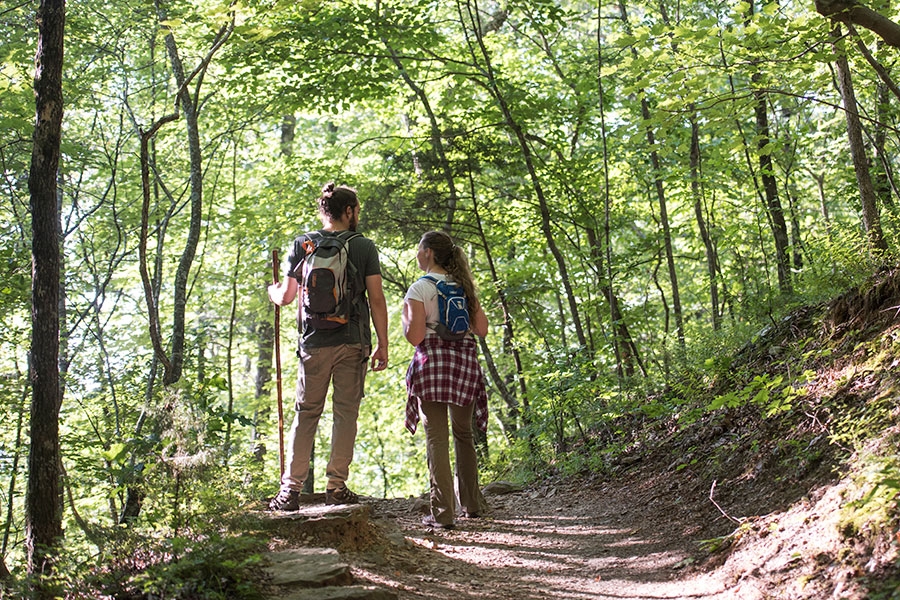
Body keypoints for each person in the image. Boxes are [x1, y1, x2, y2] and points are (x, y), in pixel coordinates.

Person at [267, 182, 388, 511]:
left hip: (313, 343)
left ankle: (289, 490)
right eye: (357, 210)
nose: (358, 215)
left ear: (324, 212)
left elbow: (287, 297)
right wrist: (383, 344)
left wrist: (272, 291)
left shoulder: (303, 244)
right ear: (348, 211)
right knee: (345, 414)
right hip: (352, 341)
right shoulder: (363, 247)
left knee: (306, 413)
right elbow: (376, 299)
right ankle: (336, 486)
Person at [402, 230, 490, 529]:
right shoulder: (463, 286)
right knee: (463, 434)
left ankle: (443, 514)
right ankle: (472, 504)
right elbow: (481, 330)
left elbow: (415, 337)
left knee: (437, 438)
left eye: (419, 248)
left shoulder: (420, 288)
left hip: (432, 363)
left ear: (428, 253)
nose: (417, 253)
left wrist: (407, 321)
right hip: (463, 362)